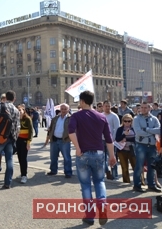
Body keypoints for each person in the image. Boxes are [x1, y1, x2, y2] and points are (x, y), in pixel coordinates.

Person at [68, 90, 116, 226]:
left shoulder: (76, 116)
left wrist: (77, 147)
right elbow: (109, 139)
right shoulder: (102, 117)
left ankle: (89, 216)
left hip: (83, 154)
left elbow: (70, 131)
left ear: (82, 101)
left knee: (85, 185)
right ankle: (102, 204)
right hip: (99, 153)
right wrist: (112, 155)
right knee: (100, 181)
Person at [132, 102, 161, 192]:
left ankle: (151, 184)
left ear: (149, 108)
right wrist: (151, 133)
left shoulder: (154, 119)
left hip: (152, 146)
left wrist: (146, 129)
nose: (143, 109)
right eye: (142, 107)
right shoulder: (136, 119)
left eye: (145, 107)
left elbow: (159, 130)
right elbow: (138, 132)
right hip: (141, 145)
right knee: (139, 166)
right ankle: (137, 185)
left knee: (151, 166)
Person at [43, 103, 72, 178]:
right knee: (53, 157)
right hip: (54, 140)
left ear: (68, 110)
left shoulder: (70, 118)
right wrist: (49, 134)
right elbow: (51, 127)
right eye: (62, 109)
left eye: (65, 109)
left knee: (67, 157)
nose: (63, 110)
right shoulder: (55, 118)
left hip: (64, 140)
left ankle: (68, 172)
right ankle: (53, 170)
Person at [115, 114, 137, 184]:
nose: (127, 123)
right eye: (125, 121)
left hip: (132, 150)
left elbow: (136, 139)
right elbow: (117, 139)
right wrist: (124, 134)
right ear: (123, 121)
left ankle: (138, 182)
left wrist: (126, 139)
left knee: (136, 167)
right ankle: (126, 183)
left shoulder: (134, 129)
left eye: (129, 121)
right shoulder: (120, 129)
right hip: (122, 151)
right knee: (124, 168)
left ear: (131, 121)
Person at [102, 101, 120, 180]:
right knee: (102, 158)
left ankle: (115, 175)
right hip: (101, 140)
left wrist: (112, 139)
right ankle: (107, 171)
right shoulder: (101, 116)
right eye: (106, 106)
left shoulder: (114, 116)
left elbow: (117, 128)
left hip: (111, 141)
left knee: (112, 158)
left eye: (108, 106)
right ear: (103, 107)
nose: (107, 108)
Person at [15, 105, 33, 184]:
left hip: (24, 140)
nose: (19, 112)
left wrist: (28, 142)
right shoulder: (16, 119)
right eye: (17, 110)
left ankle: (24, 175)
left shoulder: (28, 119)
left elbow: (31, 132)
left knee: (23, 158)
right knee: (19, 157)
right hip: (17, 140)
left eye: (20, 110)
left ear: (24, 110)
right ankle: (22, 172)